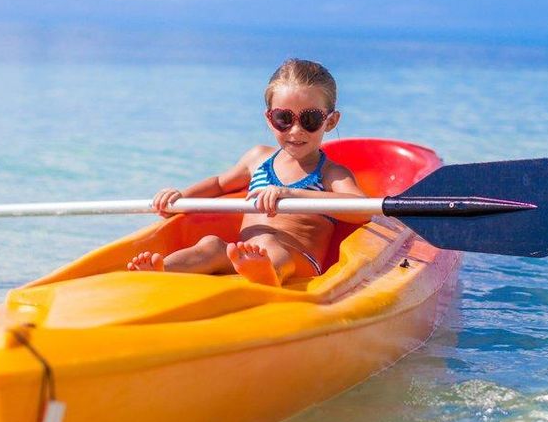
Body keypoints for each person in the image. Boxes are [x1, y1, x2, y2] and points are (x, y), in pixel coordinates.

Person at [126, 58, 369, 286]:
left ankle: (271, 273)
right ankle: (163, 270)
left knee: (271, 244)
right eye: (284, 118)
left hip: (299, 265)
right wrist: (178, 200)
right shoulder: (258, 158)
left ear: (331, 121)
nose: (296, 131)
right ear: (269, 118)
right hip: (245, 257)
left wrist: (291, 195)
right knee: (211, 245)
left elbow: (361, 209)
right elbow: (220, 184)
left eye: (310, 120)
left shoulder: (329, 173)